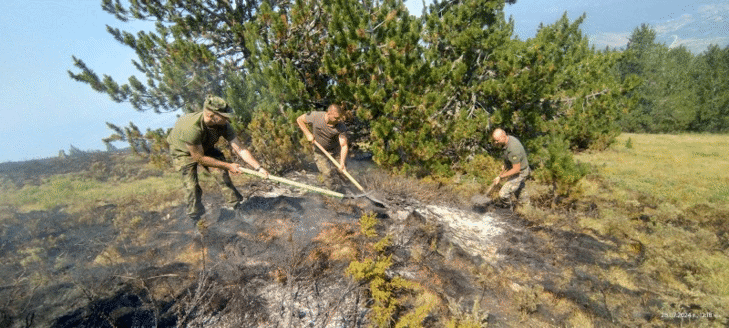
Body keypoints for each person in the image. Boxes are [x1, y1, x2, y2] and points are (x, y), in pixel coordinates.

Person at [167, 95, 269, 221]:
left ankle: (237, 208)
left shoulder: (223, 125)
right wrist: (228, 165)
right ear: (211, 115)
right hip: (183, 152)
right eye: (224, 117)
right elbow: (199, 158)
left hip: (206, 147)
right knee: (192, 187)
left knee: (222, 175)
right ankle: (195, 218)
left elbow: (240, 149)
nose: (227, 120)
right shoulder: (191, 128)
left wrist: (258, 168)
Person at [295, 104, 349, 190]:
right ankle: (336, 196)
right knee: (328, 174)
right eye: (335, 118)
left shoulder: (341, 126)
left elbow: (344, 145)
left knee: (343, 173)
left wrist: (342, 162)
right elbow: (299, 119)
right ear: (328, 113)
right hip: (319, 151)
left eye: (339, 118)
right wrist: (308, 133)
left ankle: (349, 190)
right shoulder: (316, 116)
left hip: (335, 151)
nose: (338, 120)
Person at [491, 128, 530, 207]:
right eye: (495, 140)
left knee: (503, 194)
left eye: (497, 140)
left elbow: (516, 169)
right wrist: (505, 166)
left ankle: (508, 208)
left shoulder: (513, 148)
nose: (496, 142)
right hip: (517, 169)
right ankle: (526, 208)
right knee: (520, 191)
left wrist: (501, 177)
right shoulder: (507, 141)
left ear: (503, 136)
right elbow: (509, 159)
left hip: (521, 172)